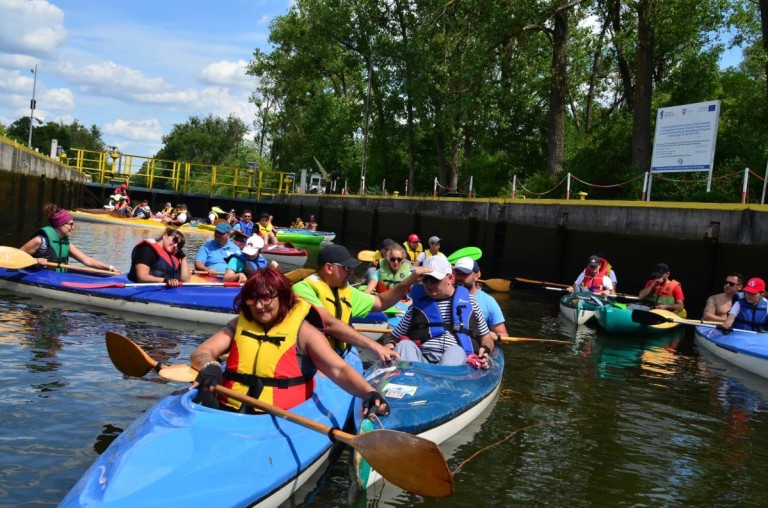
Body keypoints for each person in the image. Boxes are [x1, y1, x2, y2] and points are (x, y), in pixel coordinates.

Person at [189, 267, 390, 416]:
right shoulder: (240, 323)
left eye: (266, 298)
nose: (259, 306)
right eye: (253, 299)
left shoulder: (304, 332)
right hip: (228, 410)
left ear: (283, 297)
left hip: (280, 417)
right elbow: (202, 352)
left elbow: (338, 370)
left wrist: (368, 392)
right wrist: (210, 366)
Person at [293, 244, 427, 362]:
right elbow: (329, 324)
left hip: (342, 354)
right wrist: (376, 346)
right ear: (329, 268)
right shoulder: (302, 289)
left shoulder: (345, 290)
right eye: (346, 267)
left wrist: (408, 282)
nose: (351, 271)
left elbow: (380, 302)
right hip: (311, 359)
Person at [384, 256, 495, 367]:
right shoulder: (416, 307)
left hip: (457, 362)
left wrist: (485, 350)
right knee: (404, 344)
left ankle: (443, 380)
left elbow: (486, 338)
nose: (429, 284)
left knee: (456, 351)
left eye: (434, 280)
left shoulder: (471, 302)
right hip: (422, 361)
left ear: (451, 278)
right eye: (425, 280)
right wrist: (389, 346)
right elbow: (392, 337)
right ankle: (412, 378)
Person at [20, 204, 120, 274]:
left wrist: (110, 268)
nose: (73, 227)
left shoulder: (66, 244)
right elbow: (15, 255)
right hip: (38, 277)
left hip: (57, 278)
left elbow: (87, 260)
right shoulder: (40, 241)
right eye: (71, 224)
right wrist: (36, 259)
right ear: (59, 225)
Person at [452, 257, 509, 340]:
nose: (459, 277)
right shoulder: (446, 296)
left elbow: (504, 335)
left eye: (464, 274)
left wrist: (493, 336)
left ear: (476, 276)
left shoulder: (488, 301)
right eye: (457, 273)